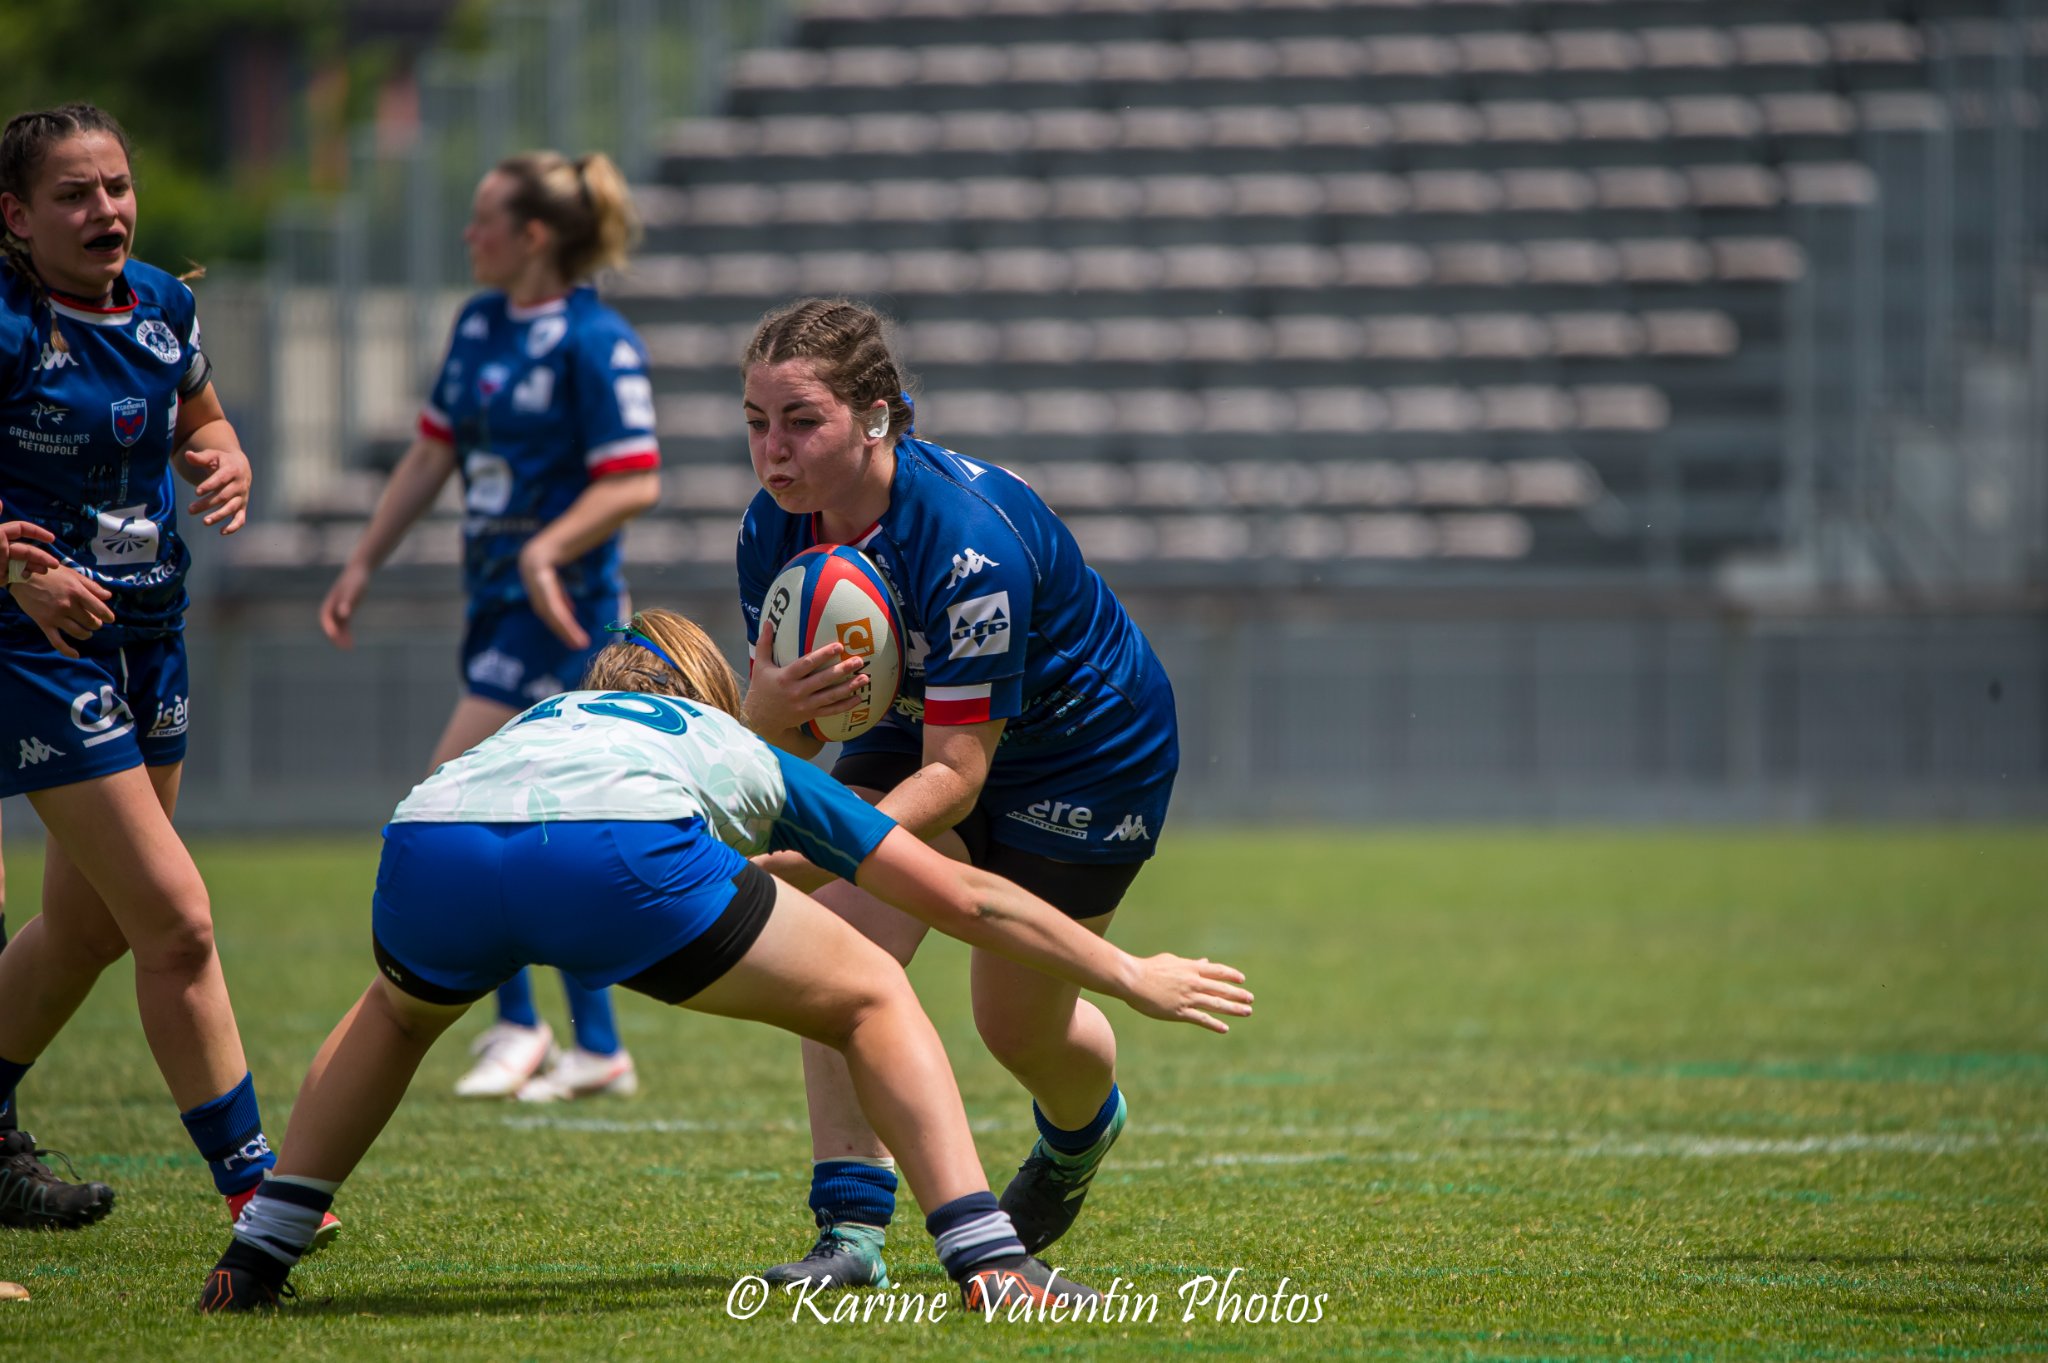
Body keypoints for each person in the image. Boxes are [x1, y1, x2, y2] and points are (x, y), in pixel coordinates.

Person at [197, 609, 1250, 1312]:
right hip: (618, 849)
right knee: (871, 992)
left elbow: (708, 867)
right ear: (715, 695)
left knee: (394, 1012)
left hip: (430, 828)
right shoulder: (729, 745)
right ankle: (989, 1259)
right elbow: (961, 895)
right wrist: (1127, 976)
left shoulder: (548, 718)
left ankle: (260, 1252)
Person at [736, 298, 1183, 1289]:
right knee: (836, 958)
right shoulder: (772, 533)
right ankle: (849, 1236)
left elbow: (956, 776)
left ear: (876, 416)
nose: (774, 450)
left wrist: (827, 849)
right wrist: (767, 711)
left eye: (801, 420)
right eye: (757, 421)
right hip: (919, 730)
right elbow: (814, 730)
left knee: (1015, 1024)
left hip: (1082, 749)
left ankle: (1078, 1134)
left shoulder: (963, 544)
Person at [0, 103, 332, 1247]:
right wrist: (16, 574)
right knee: (178, 920)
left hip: (151, 631)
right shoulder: (5, 323)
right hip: (35, 646)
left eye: (117, 188)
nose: (106, 211)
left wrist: (225, 455)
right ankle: (257, 1187)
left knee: (89, 928)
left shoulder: (165, 306)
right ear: (15, 215)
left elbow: (206, 420)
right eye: (75, 195)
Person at [318, 149, 662, 1103]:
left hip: (567, 619)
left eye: (484, 219)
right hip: (499, 609)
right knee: (542, 825)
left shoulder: (596, 340)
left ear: (535, 235)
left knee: (452, 802)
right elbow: (430, 458)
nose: (469, 235)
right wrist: (362, 561)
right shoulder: (477, 326)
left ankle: (519, 1025)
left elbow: (635, 474)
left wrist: (542, 551)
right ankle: (591, 1045)